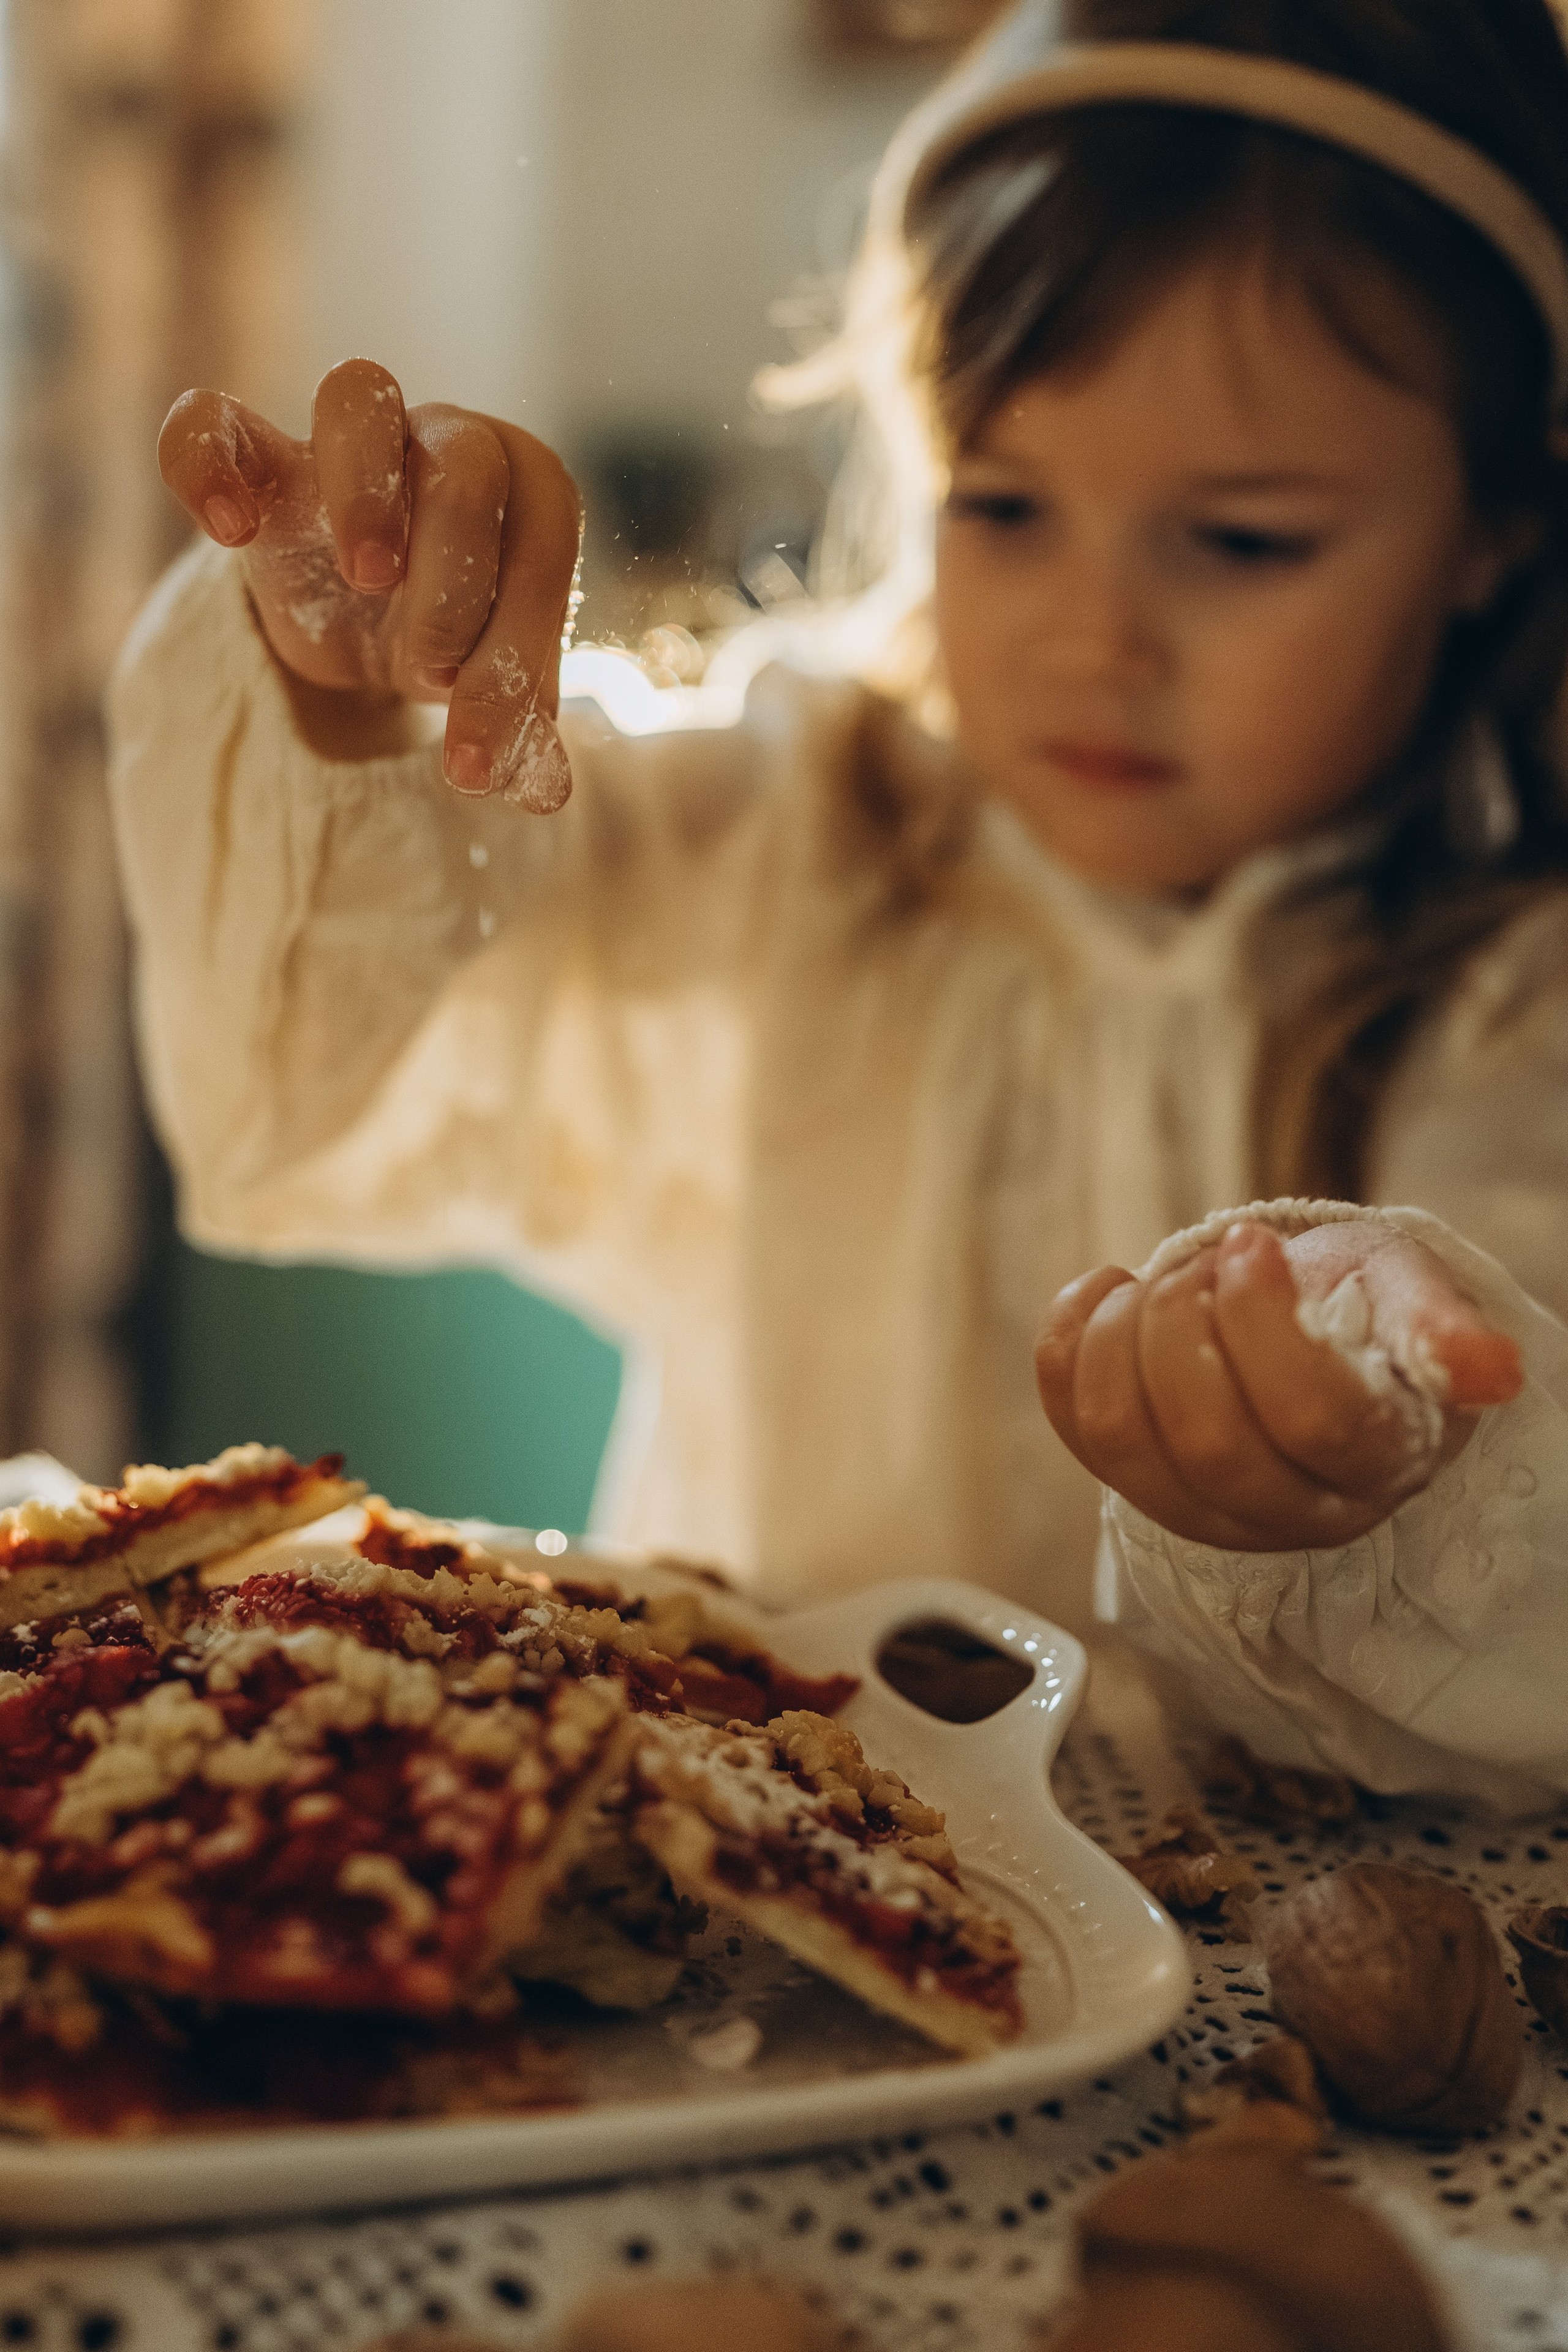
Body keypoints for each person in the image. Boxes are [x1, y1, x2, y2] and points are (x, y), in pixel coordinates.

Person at [109, 0, 1568, 1811]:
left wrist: (1389, 1475)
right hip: (752, 1949)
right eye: (1005, 503)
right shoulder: (793, 843)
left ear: (1499, 528)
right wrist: (352, 699)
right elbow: (353, 1043)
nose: (1089, 639)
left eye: (1245, 540)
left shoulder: (1523, 1012)